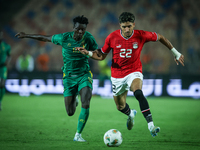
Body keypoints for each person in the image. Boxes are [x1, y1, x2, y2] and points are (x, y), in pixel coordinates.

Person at [77, 12, 185, 137]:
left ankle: (151, 125)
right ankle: (130, 113)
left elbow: (160, 37)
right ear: (120, 26)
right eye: (124, 27)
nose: (127, 29)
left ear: (134, 24)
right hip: (117, 75)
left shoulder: (141, 35)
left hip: (134, 71)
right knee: (120, 106)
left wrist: (175, 53)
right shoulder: (112, 37)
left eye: (129, 26)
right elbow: (101, 55)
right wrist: (89, 53)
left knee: (138, 92)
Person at [15, 15, 98, 141]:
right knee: (70, 112)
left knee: (86, 102)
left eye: (83, 30)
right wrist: (26, 35)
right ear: (73, 27)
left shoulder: (89, 38)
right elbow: (45, 37)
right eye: (78, 29)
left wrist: (90, 53)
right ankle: (75, 95)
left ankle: (78, 135)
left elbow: (98, 52)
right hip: (69, 78)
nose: (80, 32)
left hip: (84, 75)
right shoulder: (64, 37)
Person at [0, 31, 11, 111]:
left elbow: (9, 56)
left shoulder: (6, 46)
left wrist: (7, 62)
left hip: (2, 67)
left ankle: (0, 101)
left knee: (2, 84)